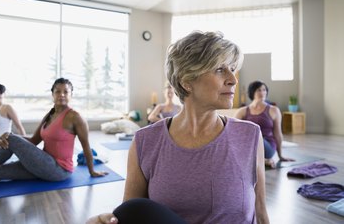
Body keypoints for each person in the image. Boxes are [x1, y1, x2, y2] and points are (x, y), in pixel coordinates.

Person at [86, 31, 270, 224]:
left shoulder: (249, 135)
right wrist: (101, 221)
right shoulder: (145, 142)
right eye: (219, 69)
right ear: (186, 81)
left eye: (232, 69)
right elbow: (133, 216)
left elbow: (261, 212)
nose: (233, 79)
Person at [0, 78, 108, 185]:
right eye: (58, 91)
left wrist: (92, 171)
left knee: (10, 138)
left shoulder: (75, 117)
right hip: (41, 164)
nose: (62, 95)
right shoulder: (50, 114)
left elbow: (86, 147)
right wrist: (8, 138)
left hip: (59, 170)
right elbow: (34, 141)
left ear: (71, 94)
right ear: (52, 94)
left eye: (66, 91)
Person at [234, 80, 295, 168]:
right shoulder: (242, 111)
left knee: (254, 132)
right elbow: (234, 132)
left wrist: (280, 156)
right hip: (249, 147)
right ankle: (262, 161)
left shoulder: (274, 110)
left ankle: (261, 159)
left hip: (267, 147)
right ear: (252, 92)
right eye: (259, 90)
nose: (262, 92)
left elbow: (277, 133)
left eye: (264, 90)